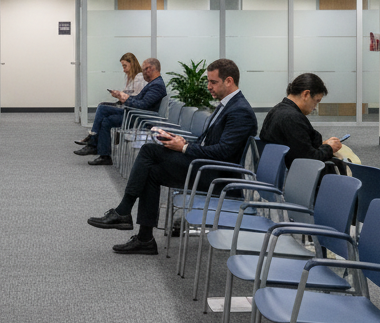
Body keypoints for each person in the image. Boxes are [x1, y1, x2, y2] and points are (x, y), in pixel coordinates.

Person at [87, 59, 257, 254]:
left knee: (149, 152)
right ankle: (144, 239)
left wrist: (184, 148)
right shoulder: (226, 105)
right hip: (205, 166)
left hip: (217, 176)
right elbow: (209, 142)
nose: (209, 86)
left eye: (213, 82)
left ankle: (124, 211)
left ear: (229, 81)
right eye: (208, 81)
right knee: (151, 170)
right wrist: (181, 141)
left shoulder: (240, 111)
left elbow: (223, 153)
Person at [74, 57, 166, 167]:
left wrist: (126, 99)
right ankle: (104, 156)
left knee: (102, 108)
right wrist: (123, 97)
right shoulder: (153, 83)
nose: (143, 73)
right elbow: (139, 100)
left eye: (144, 70)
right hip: (135, 115)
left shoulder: (157, 85)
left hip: (141, 118)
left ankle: (93, 142)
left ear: (150, 69)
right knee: (106, 120)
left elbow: (143, 105)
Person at [259, 73, 344, 171]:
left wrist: (322, 145)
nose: (315, 107)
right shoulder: (292, 118)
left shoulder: (278, 110)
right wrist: (328, 148)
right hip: (294, 177)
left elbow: (299, 146)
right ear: (306, 94)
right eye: (316, 101)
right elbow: (309, 160)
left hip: (277, 169)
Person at [73, 52, 145, 150]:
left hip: (131, 110)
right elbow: (128, 95)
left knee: (102, 109)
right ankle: (95, 142)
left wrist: (121, 95)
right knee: (102, 108)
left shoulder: (139, 78)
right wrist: (118, 94)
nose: (124, 70)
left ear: (132, 63)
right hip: (126, 106)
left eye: (125, 66)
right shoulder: (130, 77)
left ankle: (93, 138)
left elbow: (137, 97)